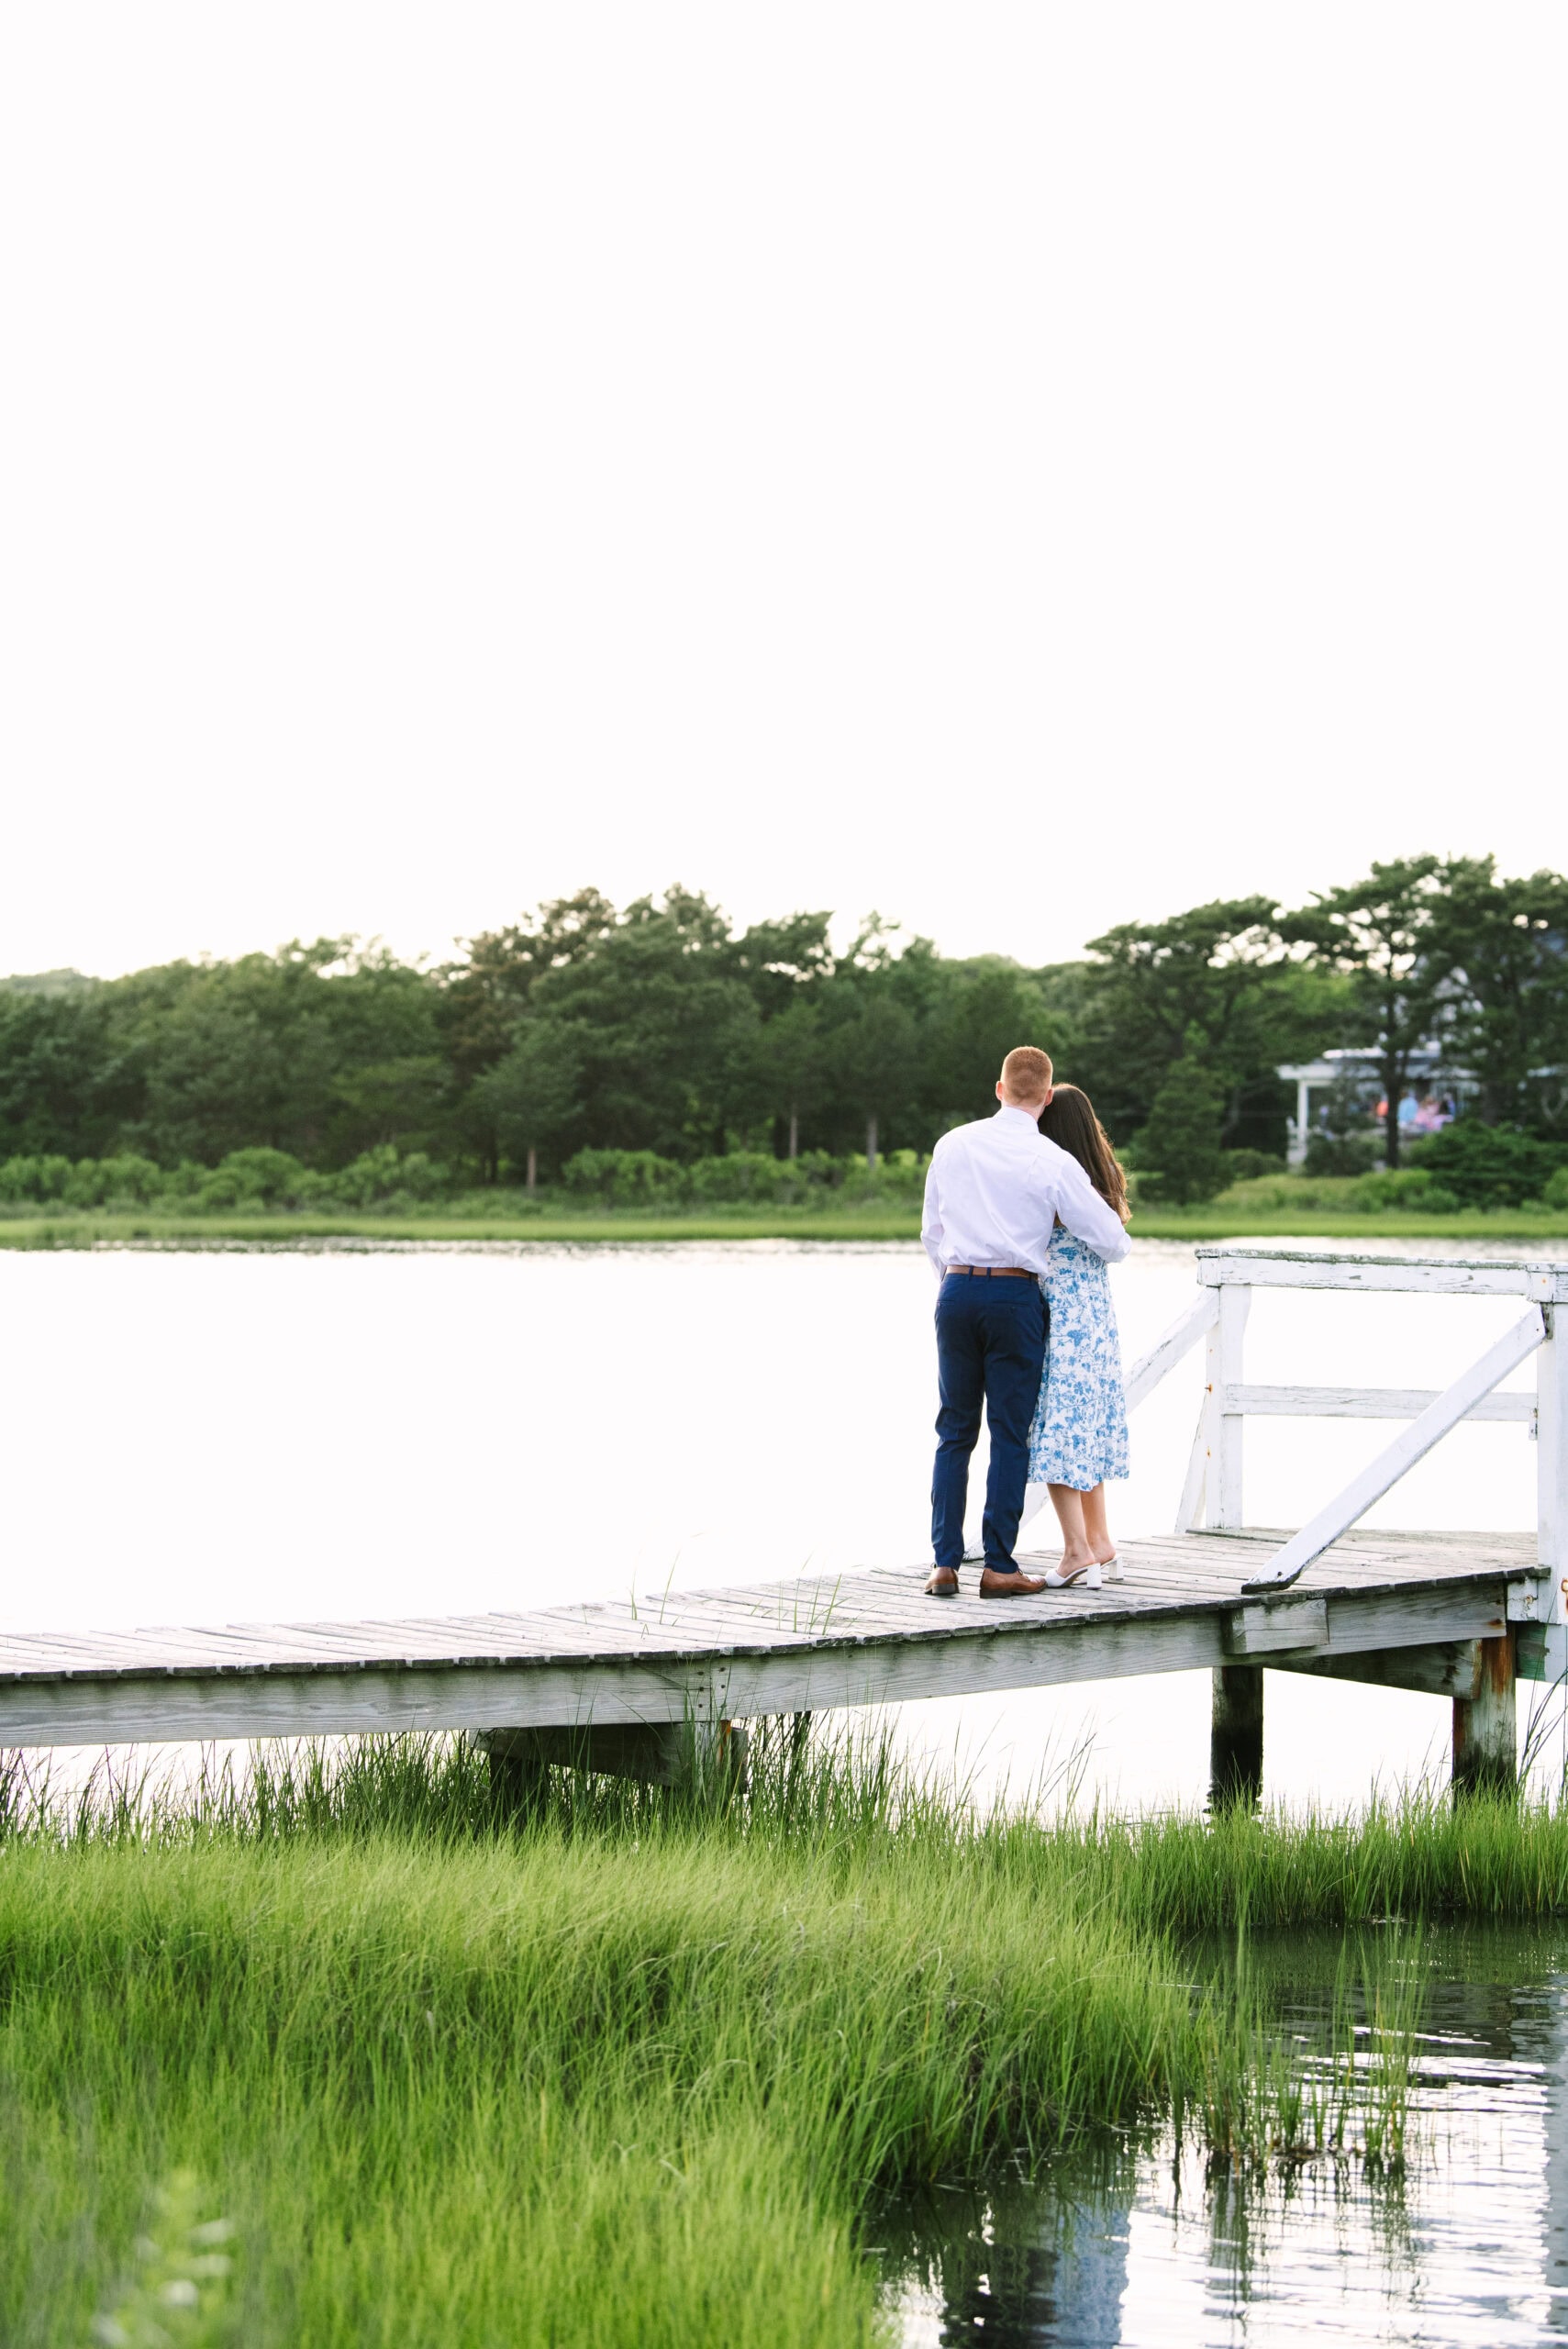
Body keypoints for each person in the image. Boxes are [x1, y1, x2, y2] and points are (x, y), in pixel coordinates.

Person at [920, 1047, 1131, 1598]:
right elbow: (1112, 1241)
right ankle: (999, 1566)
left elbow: (932, 1234)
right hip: (1015, 1296)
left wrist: (957, 1281)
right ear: (1044, 1097)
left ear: (998, 1089)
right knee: (1010, 1434)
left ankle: (944, 1564)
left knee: (953, 1431)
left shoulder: (952, 1144)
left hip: (957, 1289)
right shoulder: (1052, 1160)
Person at [1025, 1085, 1132, 1588]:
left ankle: (1076, 1551)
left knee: (1056, 1430)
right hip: (1094, 1316)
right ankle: (1100, 1541)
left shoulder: (1057, 1177)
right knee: (1083, 1425)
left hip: (1061, 1314)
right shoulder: (1098, 1178)